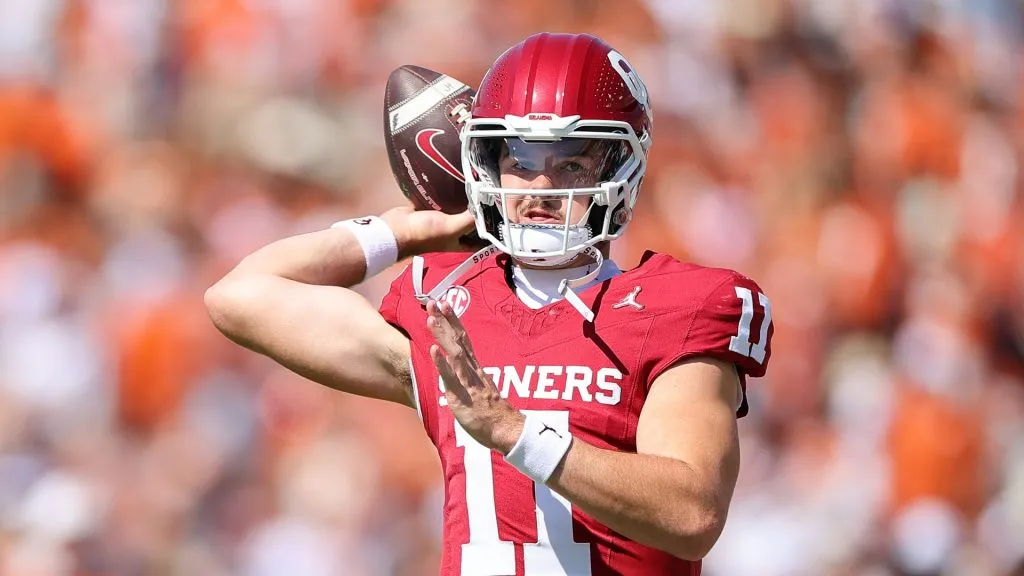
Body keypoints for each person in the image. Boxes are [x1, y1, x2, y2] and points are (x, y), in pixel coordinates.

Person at [206, 32, 773, 576]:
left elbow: (692, 511)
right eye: (520, 161)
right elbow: (239, 296)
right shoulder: (447, 304)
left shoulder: (678, 306)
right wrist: (404, 233)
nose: (541, 187)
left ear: (620, 168)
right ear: (485, 163)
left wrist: (513, 431)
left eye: (571, 163)